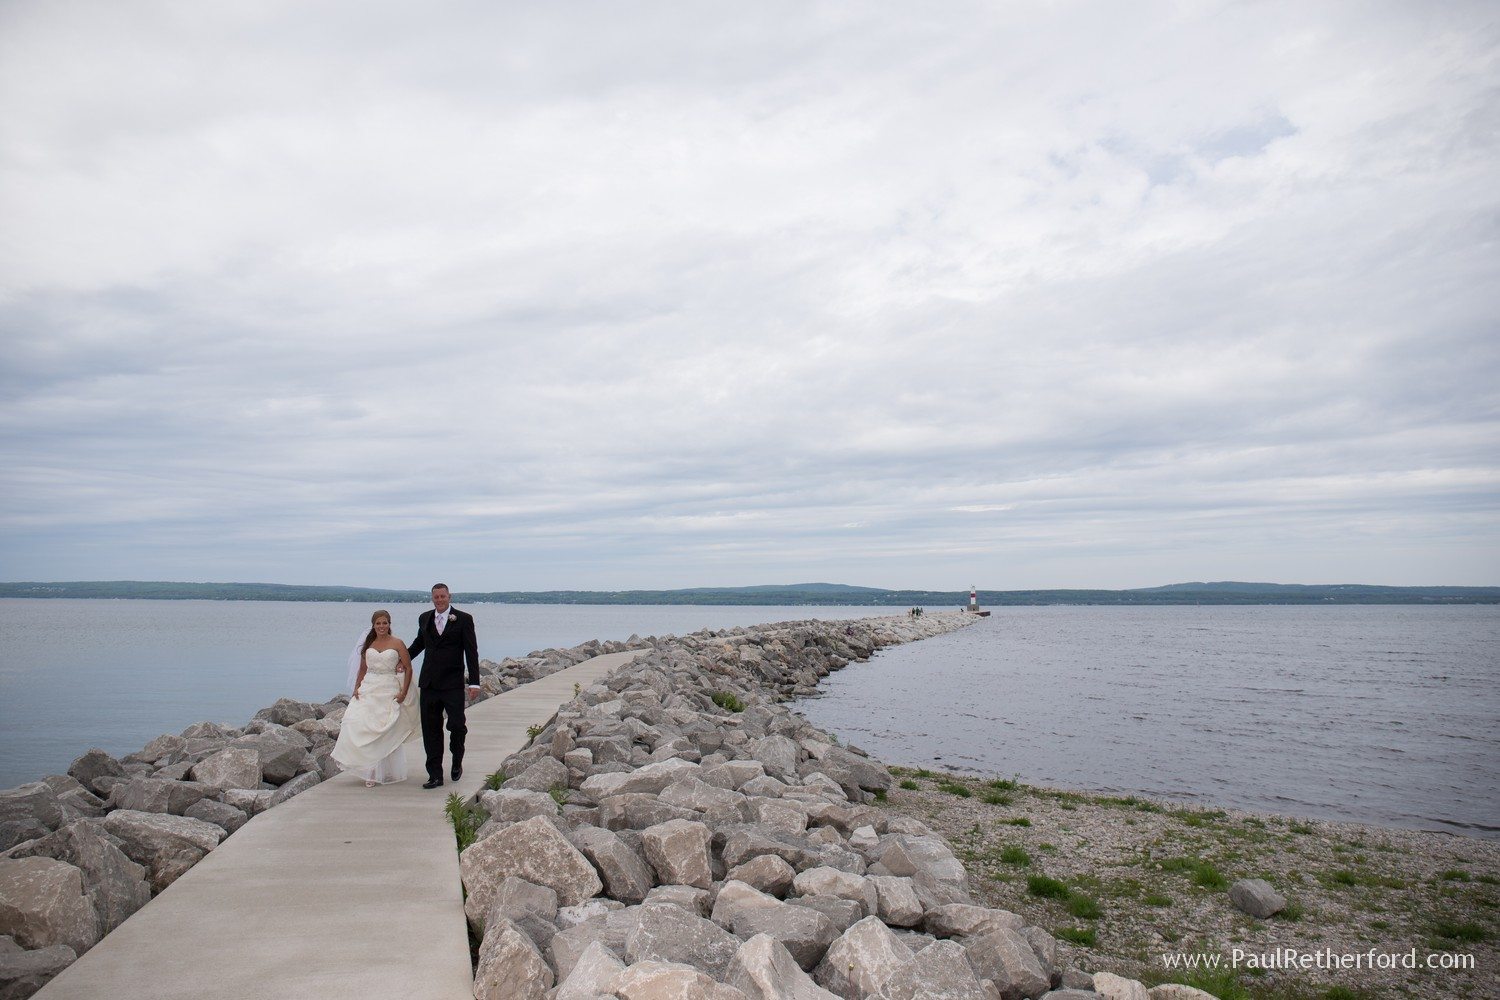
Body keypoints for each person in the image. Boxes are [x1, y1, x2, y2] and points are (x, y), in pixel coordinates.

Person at [331, 610, 420, 786]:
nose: (381, 626)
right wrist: (357, 687)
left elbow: (408, 668)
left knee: (383, 730)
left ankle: (374, 772)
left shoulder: (397, 643)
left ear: (389, 624)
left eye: (385, 623)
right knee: (356, 722)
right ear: (373, 625)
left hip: (389, 688)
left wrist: (403, 693)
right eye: (378, 623)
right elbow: (363, 669)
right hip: (369, 688)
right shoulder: (369, 643)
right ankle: (366, 767)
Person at [406, 583, 480, 788]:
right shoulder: (424, 618)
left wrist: (474, 682)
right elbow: (419, 643)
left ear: (449, 597)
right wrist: (402, 660)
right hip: (429, 683)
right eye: (436, 597)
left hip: (453, 683)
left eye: (442, 596)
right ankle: (435, 775)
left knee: (457, 725)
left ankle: (457, 760)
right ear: (432, 598)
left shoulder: (463, 619)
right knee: (431, 730)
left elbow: (471, 651)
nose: (439, 600)